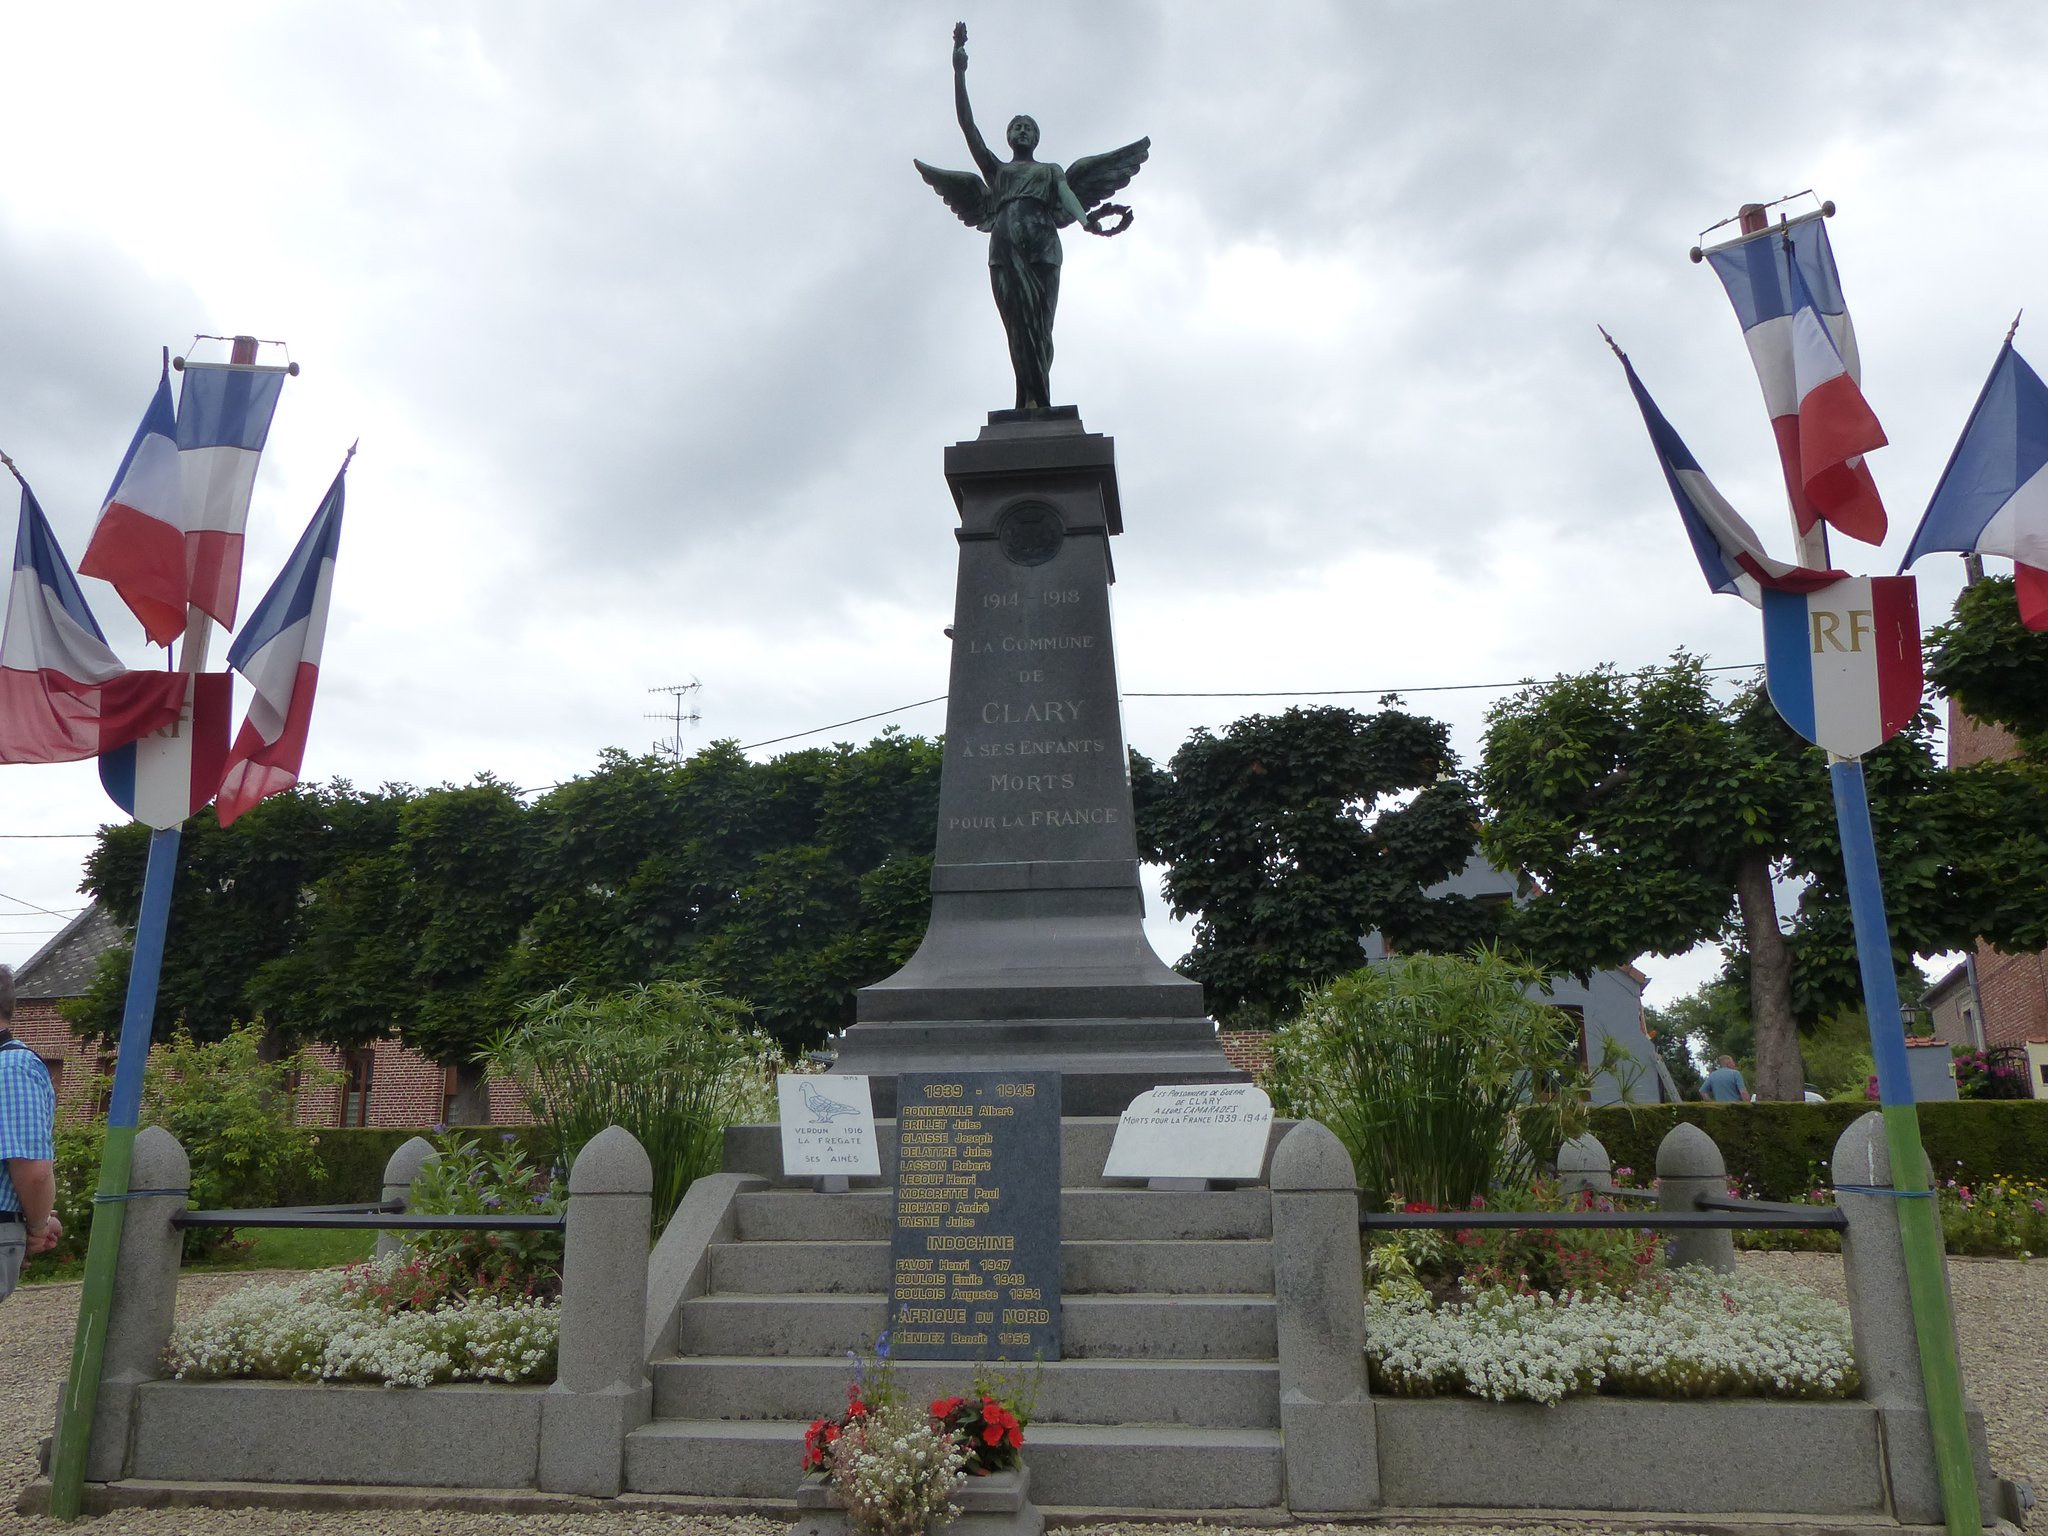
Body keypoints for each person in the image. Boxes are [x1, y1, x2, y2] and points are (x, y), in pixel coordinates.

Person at [914, 23, 1149, 410]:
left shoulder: (1050, 170)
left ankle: (1037, 400)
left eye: (1028, 128)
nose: (1022, 131)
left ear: (1036, 138)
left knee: (1041, 326)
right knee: (1016, 327)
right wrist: (959, 71)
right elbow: (968, 127)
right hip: (1005, 245)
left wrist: (1087, 221)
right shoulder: (998, 172)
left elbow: (1070, 196)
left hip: (1043, 246)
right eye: (1016, 127)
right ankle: (1027, 400)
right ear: (1009, 138)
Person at [1, 963, 62, 1300]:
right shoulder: (12, 1068)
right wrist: (37, 1226)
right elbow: (35, 1173)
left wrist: (32, 1225)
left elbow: (33, 1172)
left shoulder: (10, 1068)